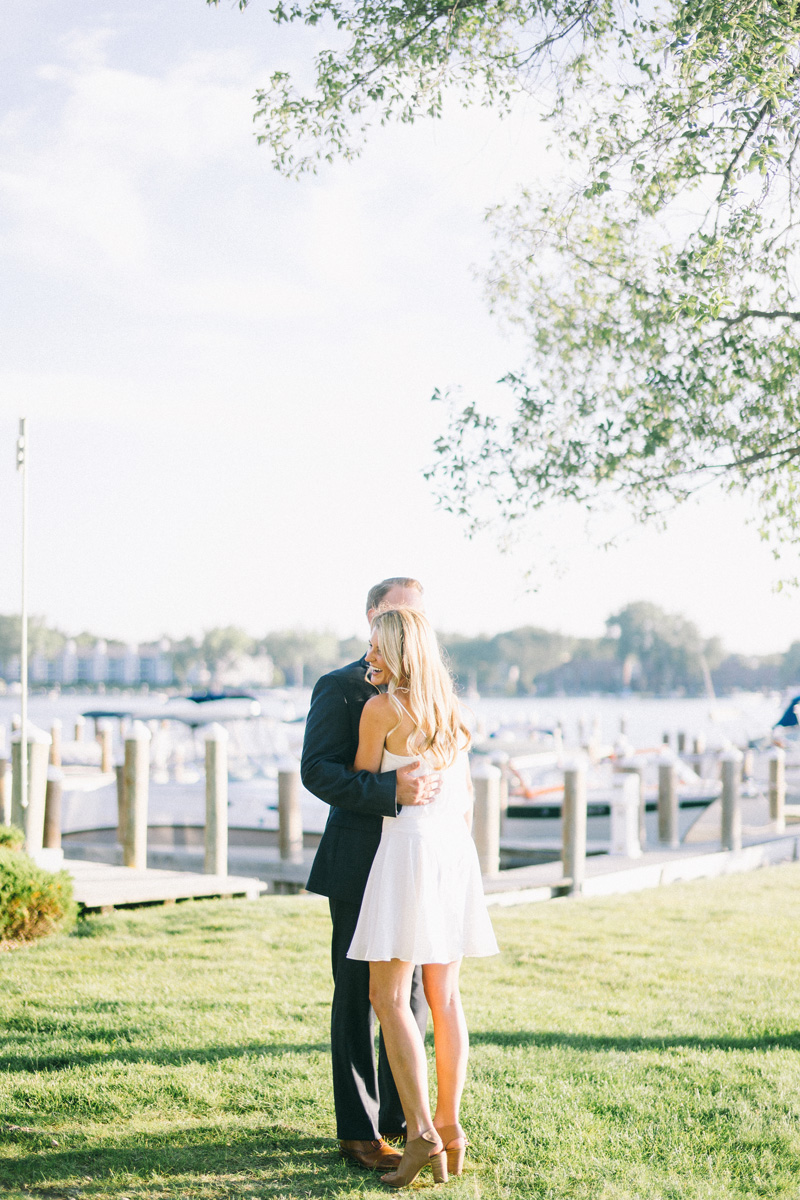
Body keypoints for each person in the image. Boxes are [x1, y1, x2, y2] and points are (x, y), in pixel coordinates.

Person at [348, 606, 499, 1189]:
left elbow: (365, 784)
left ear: (401, 653)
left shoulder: (381, 710)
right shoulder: (455, 713)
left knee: (386, 996)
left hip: (408, 850)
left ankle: (419, 1134)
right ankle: (451, 1128)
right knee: (445, 996)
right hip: (453, 851)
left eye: (378, 649)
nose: (370, 658)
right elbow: (463, 799)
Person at [301, 578, 440, 1173]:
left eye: (414, 616)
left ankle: (405, 1123)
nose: (402, 628)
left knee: (411, 997)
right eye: (392, 616)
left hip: (413, 862)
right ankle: (359, 1132)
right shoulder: (339, 687)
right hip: (359, 859)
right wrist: (391, 789)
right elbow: (317, 773)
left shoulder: (436, 696)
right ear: (370, 618)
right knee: (357, 993)